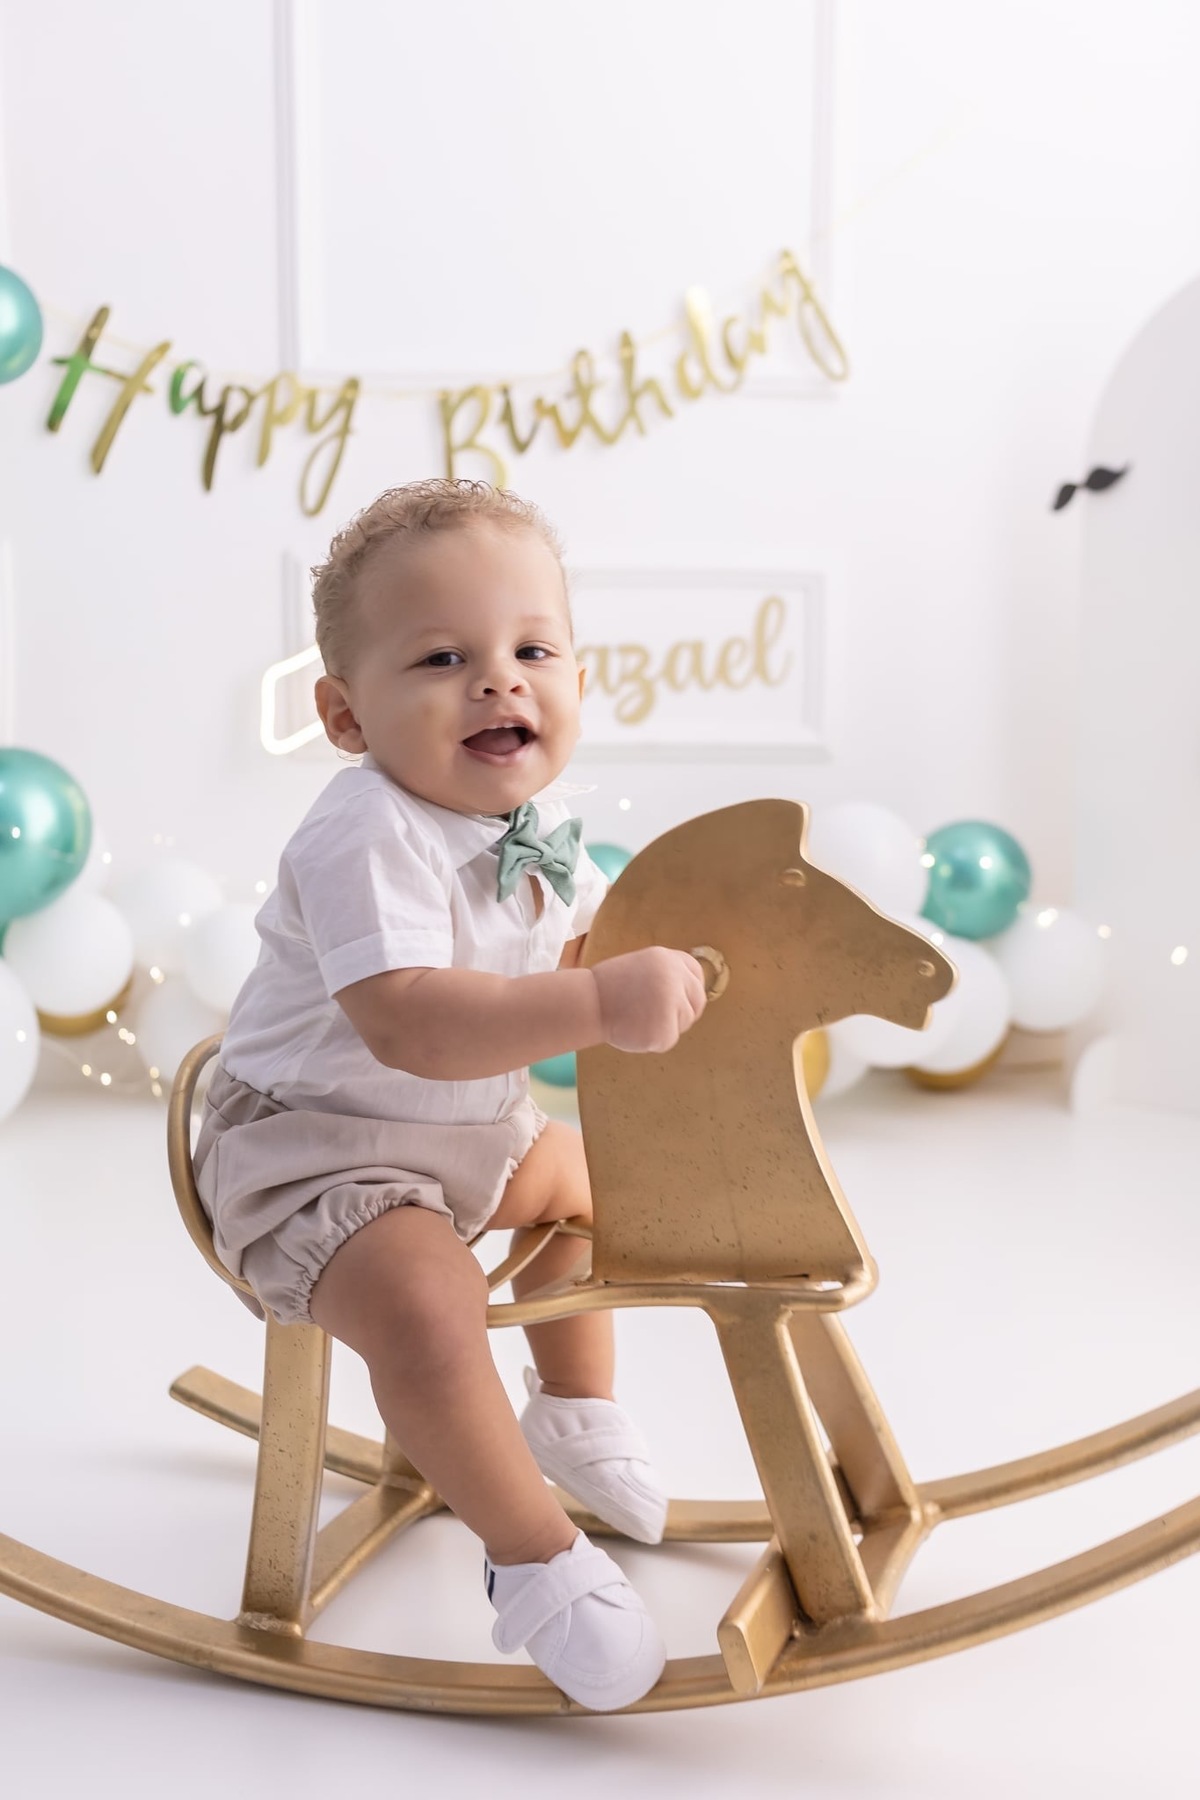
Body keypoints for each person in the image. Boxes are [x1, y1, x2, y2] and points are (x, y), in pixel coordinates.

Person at [194, 478, 708, 1710]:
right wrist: (599, 1003)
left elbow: (571, 951)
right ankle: (535, 1565)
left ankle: (573, 1412)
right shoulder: (362, 833)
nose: (497, 682)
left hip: (466, 1132)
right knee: (431, 1306)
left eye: (533, 650)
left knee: (602, 1187)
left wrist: (665, 973)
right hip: (313, 1157)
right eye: (442, 658)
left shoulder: (541, 823)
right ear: (344, 714)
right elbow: (414, 1021)